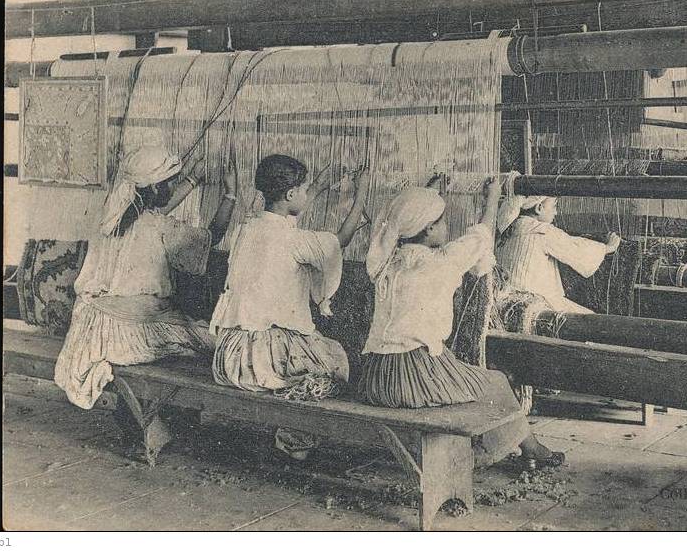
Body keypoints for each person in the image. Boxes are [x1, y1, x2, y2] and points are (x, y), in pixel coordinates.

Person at [359, 177, 564, 470]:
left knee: (473, 379)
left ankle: (518, 448)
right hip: (411, 377)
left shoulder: (385, 263)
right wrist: (493, 197)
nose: (447, 228)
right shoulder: (440, 261)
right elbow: (482, 235)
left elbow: (441, 234)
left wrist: (433, 193)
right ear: (428, 228)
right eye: (442, 222)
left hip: (377, 377)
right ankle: (518, 450)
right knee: (496, 383)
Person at [54, 144, 236, 409]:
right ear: (152, 188)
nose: (174, 188)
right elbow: (212, 237)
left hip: (88, 329)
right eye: (171, 183)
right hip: (125, 334)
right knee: (215, 343)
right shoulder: (157, 226)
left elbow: (155, 209)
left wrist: (192, 180)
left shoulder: (111, 216)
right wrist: (231, 195)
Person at [209, 155, 369, 458]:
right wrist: (362, 193)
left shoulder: (248, 226)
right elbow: (340, 241)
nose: (307, 195)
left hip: (230, 355)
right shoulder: (294, 240)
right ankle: (296, 440)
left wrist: (319, 185)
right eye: (305, 190)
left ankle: (292, 435)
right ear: (291, 194)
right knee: (333, 362)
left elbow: (284, 221)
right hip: (259, 360)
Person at [495, 194, 621, 314]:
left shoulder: (506, 232)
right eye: (554, 206)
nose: (556, 212)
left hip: (506, 302)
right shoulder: (543, 231)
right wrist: (607, 248)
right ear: (539, 208)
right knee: (592, 321)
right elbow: (575, 249)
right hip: (533, 302)